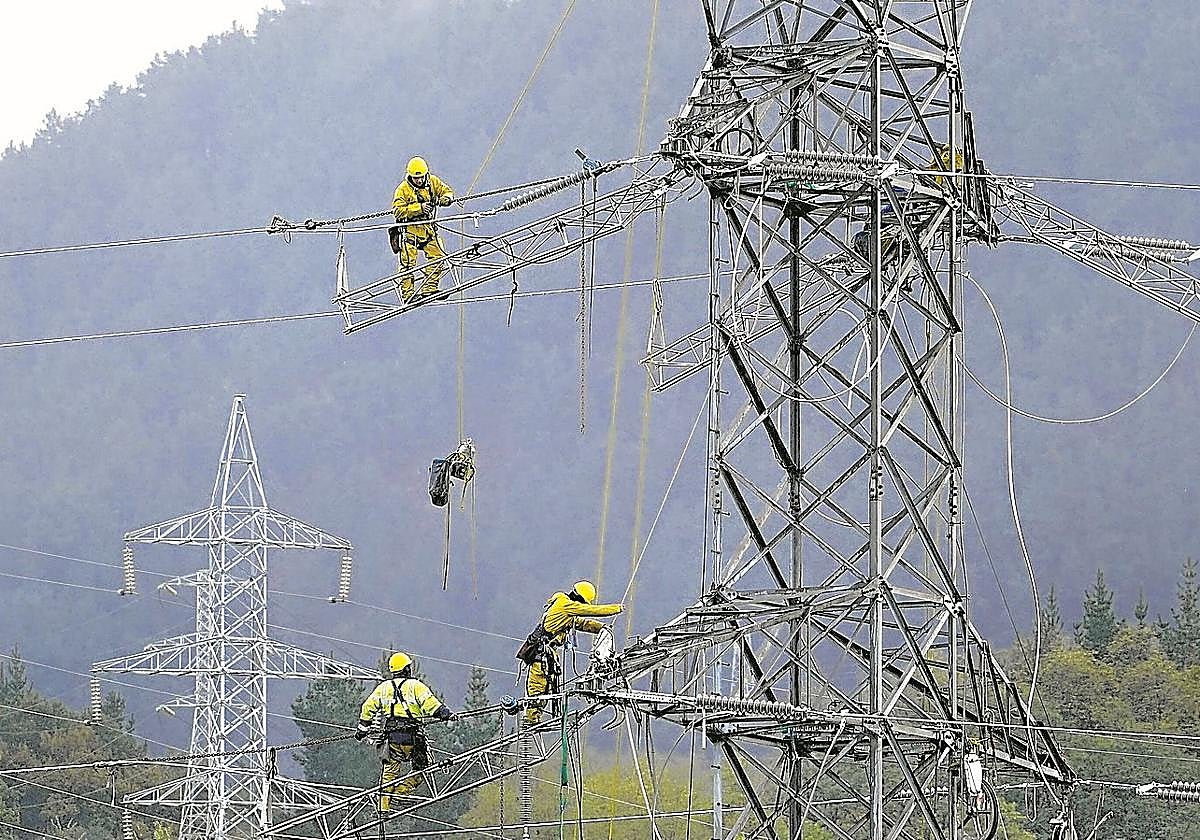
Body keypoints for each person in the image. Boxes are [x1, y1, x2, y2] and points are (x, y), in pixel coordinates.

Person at [354, 651, 456, 812]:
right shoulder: (415, 686)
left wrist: (362, 729)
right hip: (413, 739)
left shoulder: (384, 688)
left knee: (389, 773)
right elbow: (430, 703)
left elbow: (368, 707)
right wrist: (445, 714)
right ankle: (401, 793)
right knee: (422, 768)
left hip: (392, 740)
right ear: (407, 669)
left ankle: (383, 807)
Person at [520, 580, 622, 724]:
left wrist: (601, 628)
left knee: (546, 688)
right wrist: (616, 608)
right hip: (540, 654)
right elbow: (592, 612)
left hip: (546, 654)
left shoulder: (566, 610)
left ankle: (534, 717)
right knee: (538, 688)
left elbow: (581, 623)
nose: (583, 606)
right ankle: (530, 719)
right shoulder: (565, 605)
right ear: (579, 598)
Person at [392, 156, 455, 302]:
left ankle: (429, 289)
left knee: (438, 256)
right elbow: (398, 211)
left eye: (421, 177)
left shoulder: (432, 182)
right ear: (410, 176)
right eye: (416, 178)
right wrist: (419, 208)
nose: (419, 180)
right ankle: (408, 296)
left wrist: (445, 199)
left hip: (428, 229)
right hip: (410, 232)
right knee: (408, 264)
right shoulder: (403, 190)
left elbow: (447, 192)